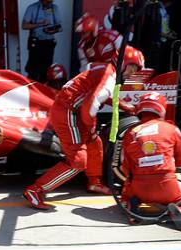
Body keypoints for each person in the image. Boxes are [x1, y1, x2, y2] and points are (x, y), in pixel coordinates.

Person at [22, 37, 118, 211]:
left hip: (70, 110)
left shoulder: (100, 68)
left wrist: (124, 105)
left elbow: (93, 98)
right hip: (68, 112)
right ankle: (36, 190)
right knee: (78, 162)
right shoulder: (109, 74)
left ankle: (94, 182)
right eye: (133, 68)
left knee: (94, 143)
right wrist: (91, 128)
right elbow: (90, 107)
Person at [120, 92, 181, 232]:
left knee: (125, 197)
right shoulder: (171, 128)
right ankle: (180, 209)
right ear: (161, 109)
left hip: (139, 187)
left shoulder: (130, 132)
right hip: (167, 184)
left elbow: (125, 167)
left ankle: (132, 209)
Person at [22, 0, 63, 82]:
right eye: (47, 2)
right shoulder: (32, 8)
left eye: (50, 1)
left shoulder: (54, 8)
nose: (49, 3)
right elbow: (24, 26)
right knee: (33, 71)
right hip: (36, 43)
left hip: (49, 43)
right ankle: (32, 91)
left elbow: (60, 27)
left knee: (47, 71)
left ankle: (44, 91)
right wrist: (41, 24)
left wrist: (53, 30)